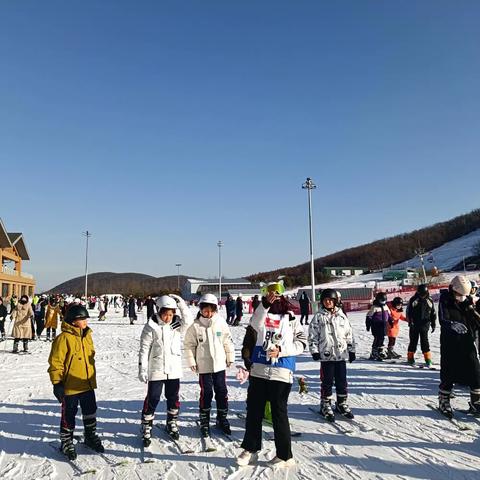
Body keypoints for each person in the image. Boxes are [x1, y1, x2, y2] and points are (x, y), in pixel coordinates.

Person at [237, 282, 307, 469]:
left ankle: (284, 455)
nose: (273, 297)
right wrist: (264, 305)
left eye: (276, 294)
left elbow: (301, 343)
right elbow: (254, 325)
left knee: (278, 414)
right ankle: (250, 449)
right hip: (259, 370)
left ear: (283, 296)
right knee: (254, 411)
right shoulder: (261, 313)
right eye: (269, 294)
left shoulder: (291, 318)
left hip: (281, 371)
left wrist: (282, 350)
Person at [48, 304, 103, 460]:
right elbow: (56, 362)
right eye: (82, 319)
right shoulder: (63, 339)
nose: (85, 322)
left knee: (90, 410)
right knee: (69, 414)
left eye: (86, 319)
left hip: (87, 383)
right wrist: (57, 383)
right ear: (73, 321)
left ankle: (90, 435)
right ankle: (66, 441)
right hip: (70, 386)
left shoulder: (87, 336)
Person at [138, 294, 193, 446]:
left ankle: (172, 422)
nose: (168, 317)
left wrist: (181, 304)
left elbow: (188, 321)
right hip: (156, 368)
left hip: (173, 369)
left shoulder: (176, 326)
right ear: (158, 311)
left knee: (173, 397)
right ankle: (147, 424)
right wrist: (142, 369)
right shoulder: (151, 326)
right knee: (153, 397)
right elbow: (143, 349)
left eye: (171, 314)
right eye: (165, 314)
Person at [184, 293, 235, 438]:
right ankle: (204, 421)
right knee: (206, 393)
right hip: (204, 366)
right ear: (200, 309)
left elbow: (227, 341)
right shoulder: (195, 326)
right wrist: (192, 361)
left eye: (211, 310)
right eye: (205, 310)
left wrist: (230, 356)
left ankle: (222, 418)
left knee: (221, 391)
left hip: (219, 364)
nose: (208, 313)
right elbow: (189, 345)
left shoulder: (220, 322)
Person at [308, 289, 356, 421]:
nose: (328, 302)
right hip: (326, 356)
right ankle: (325, 404)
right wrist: (315, 351)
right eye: (325, 300)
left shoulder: (341, 316)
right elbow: (312, 336)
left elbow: (349, 334)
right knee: (327, 381)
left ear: (335, 301)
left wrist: (351, 350)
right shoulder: (318, 317)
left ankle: (341, 403)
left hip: (341, 355)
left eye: (330, 300)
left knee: (342, 381)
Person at [437, 275, 480, 416]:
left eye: (464, 295)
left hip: (467, 340)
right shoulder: (445, 299)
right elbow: (443, 318)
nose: (462, 297)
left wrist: (474, 315)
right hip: (450, 341)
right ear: (453, 289)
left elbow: (473, 320)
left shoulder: (467, 300)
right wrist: (451, 324)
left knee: (475, 369)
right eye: (459, 294)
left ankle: (476, 401)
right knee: (449, 371)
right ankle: (444, 400)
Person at [406, 284, 436, 366]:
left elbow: (433, 313)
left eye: (424, 294)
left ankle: (427, 358)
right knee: (413, 341)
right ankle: (410, 357)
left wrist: (433, 323)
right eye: (421, 294)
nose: (422, 296)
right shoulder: (414, 300)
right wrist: (410, 321)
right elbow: (408, 311)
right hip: (414, 324)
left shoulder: (429, 300)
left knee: (425, 342)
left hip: (424, 325)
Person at [366, 292, 391, 360]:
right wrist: (368, 325)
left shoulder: (386, 306)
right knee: (377, 338)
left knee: (382, 338)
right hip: (376, 325)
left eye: (384, 301)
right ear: (378, 300)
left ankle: (380, 351)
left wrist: (390, 321)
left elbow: (389, 315)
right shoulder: (374, 307)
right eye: (381, 301)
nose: (383, 302)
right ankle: (374, 352)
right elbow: (369, 316)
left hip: (384, 325)